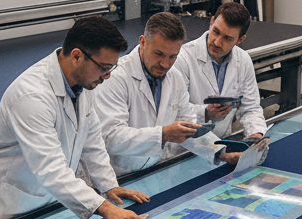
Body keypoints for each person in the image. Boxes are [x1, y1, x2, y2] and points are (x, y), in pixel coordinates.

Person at [0, 16, 152, 219]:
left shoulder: (84, 84)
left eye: (111, 68)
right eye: (104, 68)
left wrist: (108, 185)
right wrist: (104, 208)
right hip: (12, 211)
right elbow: (50, 168)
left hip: (48, 205)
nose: (107, 76)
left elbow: (91, 142)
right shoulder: (32, 96)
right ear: (77, 56)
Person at [94, 11, 239, 175]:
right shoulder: (116, 78)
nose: (165, 64)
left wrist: (220, 151)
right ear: (143, 42)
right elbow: (111, 137)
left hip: (158, 171)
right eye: (159, 54)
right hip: (122, 175)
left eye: (173, 56)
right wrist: (162, 135)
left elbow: (187, 123)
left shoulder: (174, 77)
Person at [177, 1, 268, 141]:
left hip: (222, 144)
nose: (217, 42)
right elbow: (175, 111)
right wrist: (205, 113)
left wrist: (256, 134)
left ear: (240, 40)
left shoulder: (243, 60)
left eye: (227, 38)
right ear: (211, 22)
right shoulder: (183, 58)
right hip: (186, 148)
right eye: (216, 32)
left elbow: (250, 108)